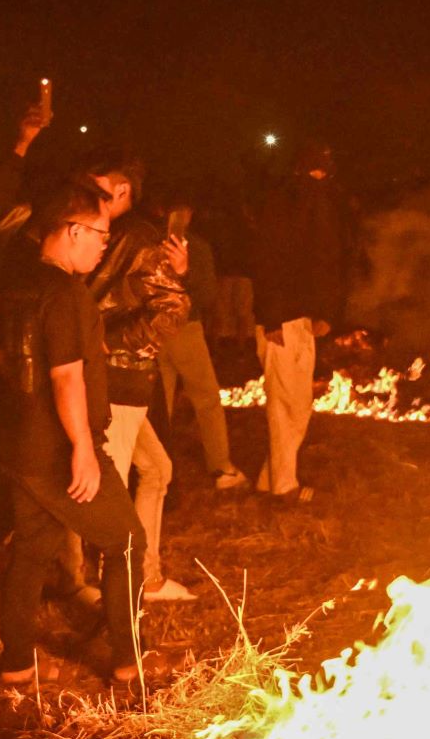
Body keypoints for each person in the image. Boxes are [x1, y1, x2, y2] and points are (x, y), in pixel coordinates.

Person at [0, 182, 160, 688]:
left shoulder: (15, 282)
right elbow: (67, 376)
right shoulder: (65, 294)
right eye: (102, 235)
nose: (106, 244)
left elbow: (2, 359)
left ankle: (17, 663)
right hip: (57, 446)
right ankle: (129, 663)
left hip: (17, 440)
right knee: (126, 540)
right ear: (71, 231)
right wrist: (83, 448)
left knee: (33, 549)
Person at [81, 154, 193, 601]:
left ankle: (140, 578)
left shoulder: (131, 238)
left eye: (97, 181)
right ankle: (116, 586)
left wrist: (109, 342)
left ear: (123, 190)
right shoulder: (95, 231)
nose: (86, 188)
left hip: (119, 375)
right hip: (114, 378)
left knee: (156, 469)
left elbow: (171, 306)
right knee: (105, 488)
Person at [248, 142, 352, 500]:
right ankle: (284, 485)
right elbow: (269, 261)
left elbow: (325, 263)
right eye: (313, 172)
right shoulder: (283, 206)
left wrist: (325, 313)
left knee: (297, 405)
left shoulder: (320, 207)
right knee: (285, 405)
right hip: (282, 320)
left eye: (324, 173)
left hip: (303, 319)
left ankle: (271, 478)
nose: (319, 179)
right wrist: (272, 317)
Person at [152, 189, 244, 492]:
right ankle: (222, 467)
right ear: (188, 213)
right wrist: (187, 273)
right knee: (206, 398)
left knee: (159, 403)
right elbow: (205, 296)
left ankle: (155, 469)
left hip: (151, 329)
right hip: (184, 329)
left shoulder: (146, 241)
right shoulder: (198, 247)